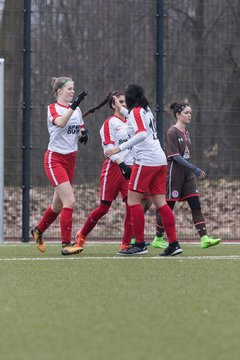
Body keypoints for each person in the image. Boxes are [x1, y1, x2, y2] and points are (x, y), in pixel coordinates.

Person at [106, 84, 182, 256]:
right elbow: (136, 121)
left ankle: (139, 244)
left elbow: (140, 133)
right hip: (159, 160)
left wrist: (120, 148)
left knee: (133, 201)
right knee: (161, 203)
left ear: (131, 98)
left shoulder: (136, 112)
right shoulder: (145, 110)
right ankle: (174, 244)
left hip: (146, 161)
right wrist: (120, 108)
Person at [61, 90, 135, 256]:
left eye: (126, 102)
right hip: (114, 168)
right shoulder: (109, 123)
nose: (124, 105)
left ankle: (125, 245)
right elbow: (108, 148)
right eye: (121, 102)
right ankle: (81, 236)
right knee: (103, 208)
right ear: (113, 104)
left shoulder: (132, 122)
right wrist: (121, 164)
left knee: (132, 206)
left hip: (130, 168)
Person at [152, 100, 221, 249]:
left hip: (187, 175)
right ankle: (158, 238)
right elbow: (175, 156)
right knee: (168, 206)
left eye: (190, 113)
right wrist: (195, 169)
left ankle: (204, 238)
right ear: (178, 115)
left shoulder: (187, 133)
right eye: (186, 113)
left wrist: (191, 170)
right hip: (174, 174)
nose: (189, 115)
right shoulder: (172, 132)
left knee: (195, 204)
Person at [31, 76, 88, 252]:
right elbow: (61, 122)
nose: (72, 91)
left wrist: (83, 133)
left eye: (73, 88)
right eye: (69, 89)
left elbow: (78, 128)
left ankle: (38, 230)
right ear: (59, 92)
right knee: (69, 201)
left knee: (57, 205)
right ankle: (66, 244)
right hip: (54, 159)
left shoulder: (76, 110)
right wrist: (73, 106)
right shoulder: (52, 108)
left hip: (70, 159)